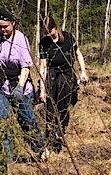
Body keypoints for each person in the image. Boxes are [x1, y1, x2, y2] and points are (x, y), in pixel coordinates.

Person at [0, 9, 44, 160]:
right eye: (0, 26)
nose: (3, 29)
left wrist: (20, 86)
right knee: (2, 121)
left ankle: (40, 149)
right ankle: (8, 157)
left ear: (13, 24)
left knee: (26, 119)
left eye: (6, 26)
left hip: (19, 84)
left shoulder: (21, 39)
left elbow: (26, 66)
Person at [38, 16, 89, 152]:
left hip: (66, 73)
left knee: (63, 106)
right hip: (52, 75)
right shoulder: (43, 43)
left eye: (51, 32)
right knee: (49, 107)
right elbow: (43, 66)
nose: (49, 35)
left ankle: (60, 136)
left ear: (55, 28)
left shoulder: (68, 37)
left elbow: (78, 54)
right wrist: (42, 89)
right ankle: (50, 137)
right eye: (46, 32)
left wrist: (82, 72)